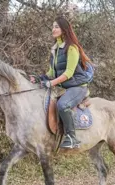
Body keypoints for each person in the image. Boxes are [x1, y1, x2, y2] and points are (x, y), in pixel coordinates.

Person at [30, 16, 93, 149]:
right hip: (65, 88)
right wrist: (39, 78)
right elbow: (51, 73)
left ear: (64, 29)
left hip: (77, 86)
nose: (53, 29)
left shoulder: (72, 48)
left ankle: (72, 137)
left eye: (56, 27)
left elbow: (69, 73)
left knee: (63, 105)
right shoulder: (55, 49)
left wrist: (51, 83)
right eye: (52, 27)